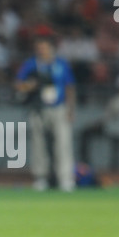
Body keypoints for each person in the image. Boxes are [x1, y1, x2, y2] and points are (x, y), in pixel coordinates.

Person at [15, 25, 76, 191]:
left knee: (63, 143)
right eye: (38, 46)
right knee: (38, 144)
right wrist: (30, 86)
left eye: (44, 46)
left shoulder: (61, 63)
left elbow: (70, 87)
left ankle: (66, 178)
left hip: (59, 107)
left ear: (51, 46)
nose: (41, 49)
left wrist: (71, 109)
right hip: (38, 108)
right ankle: (41, 177)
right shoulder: (31, 64)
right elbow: (19, 85)